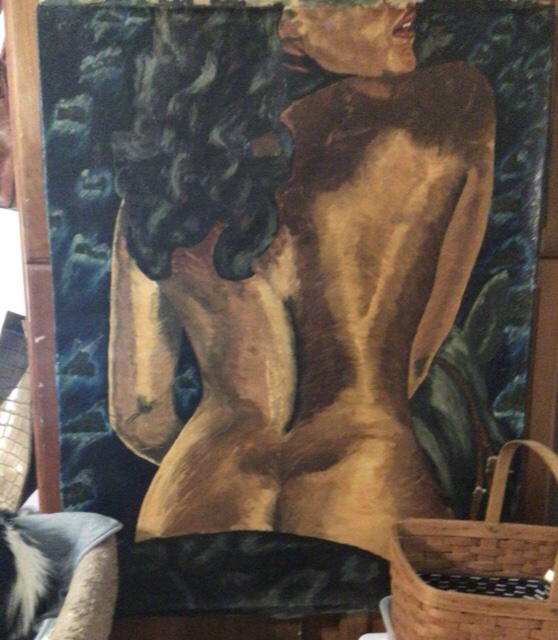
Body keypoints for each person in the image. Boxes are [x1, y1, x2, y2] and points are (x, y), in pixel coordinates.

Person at [108, 1, 495, 559]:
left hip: (193, 504)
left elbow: (141, 412)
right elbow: (414, 361)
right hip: (367, 496)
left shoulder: (162, 173)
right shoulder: (453, 107)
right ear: (285, 19)